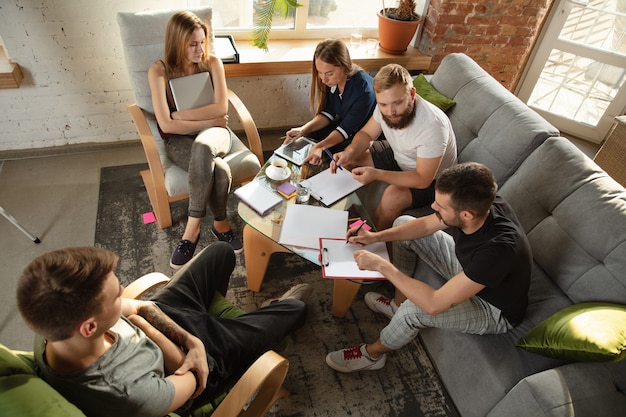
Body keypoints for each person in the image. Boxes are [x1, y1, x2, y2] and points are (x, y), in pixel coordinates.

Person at [17, 242, 313, 416]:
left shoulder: (53, 326)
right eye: (115, 295)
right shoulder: (130, 393)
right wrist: (197, 346)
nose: (123, 289)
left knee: (221, 252)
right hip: (204, 366)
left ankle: (231, 324)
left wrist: (185, 339)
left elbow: (140, 308)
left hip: (174, 325)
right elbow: (195, 381)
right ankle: (246, 331)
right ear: (89, 327)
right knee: (297, 310)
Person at [325, 162, 531, 373]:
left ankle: (372, 355)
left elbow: (433, 304)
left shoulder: (499, 250)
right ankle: (396, 303)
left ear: (466, 215)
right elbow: (424, 225)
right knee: (402, 222)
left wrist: (382, 265)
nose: (433, 207)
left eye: (440, 206)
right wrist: (375, 237)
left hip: (492, 308)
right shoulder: (485, 202)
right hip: (470, 271)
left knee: (413, 310)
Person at [148, 11, 243, 269]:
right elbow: (166, 124)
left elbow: (220, 108)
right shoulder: (159, 71)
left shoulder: (212, 62)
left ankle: (191, 231)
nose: (200, 49)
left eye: (203, 42)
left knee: (203, 146)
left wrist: (181, 116)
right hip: (178, 139)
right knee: (220, 169)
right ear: (177, 42)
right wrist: (208, 121)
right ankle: (220, 223)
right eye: (193, 44)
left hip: (214, 135)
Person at [332, 63, 457, 230]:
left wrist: (376, 174)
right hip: (401, 154)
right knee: (348, 160)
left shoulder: (433, 126)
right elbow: (367, 134)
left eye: (397, 103)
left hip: (433, 179)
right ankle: (342, 220)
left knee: (392, 196)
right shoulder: (386, 105)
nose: (390, 111)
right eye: (383, 104)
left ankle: (372, 241)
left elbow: (422, 179)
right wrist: (349, 153)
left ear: (412, 94)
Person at [284, 39, 376, 165]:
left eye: (329, 73)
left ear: (344, 66)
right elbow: (329, 112)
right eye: (320, 73)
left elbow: (346, 129)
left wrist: (320, 147)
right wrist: (303, 129)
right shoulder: (334, 81)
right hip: (345, 126)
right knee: (304, 137)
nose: (323, 79)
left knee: (322, 158)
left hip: (362, 134)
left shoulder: (364, 92)